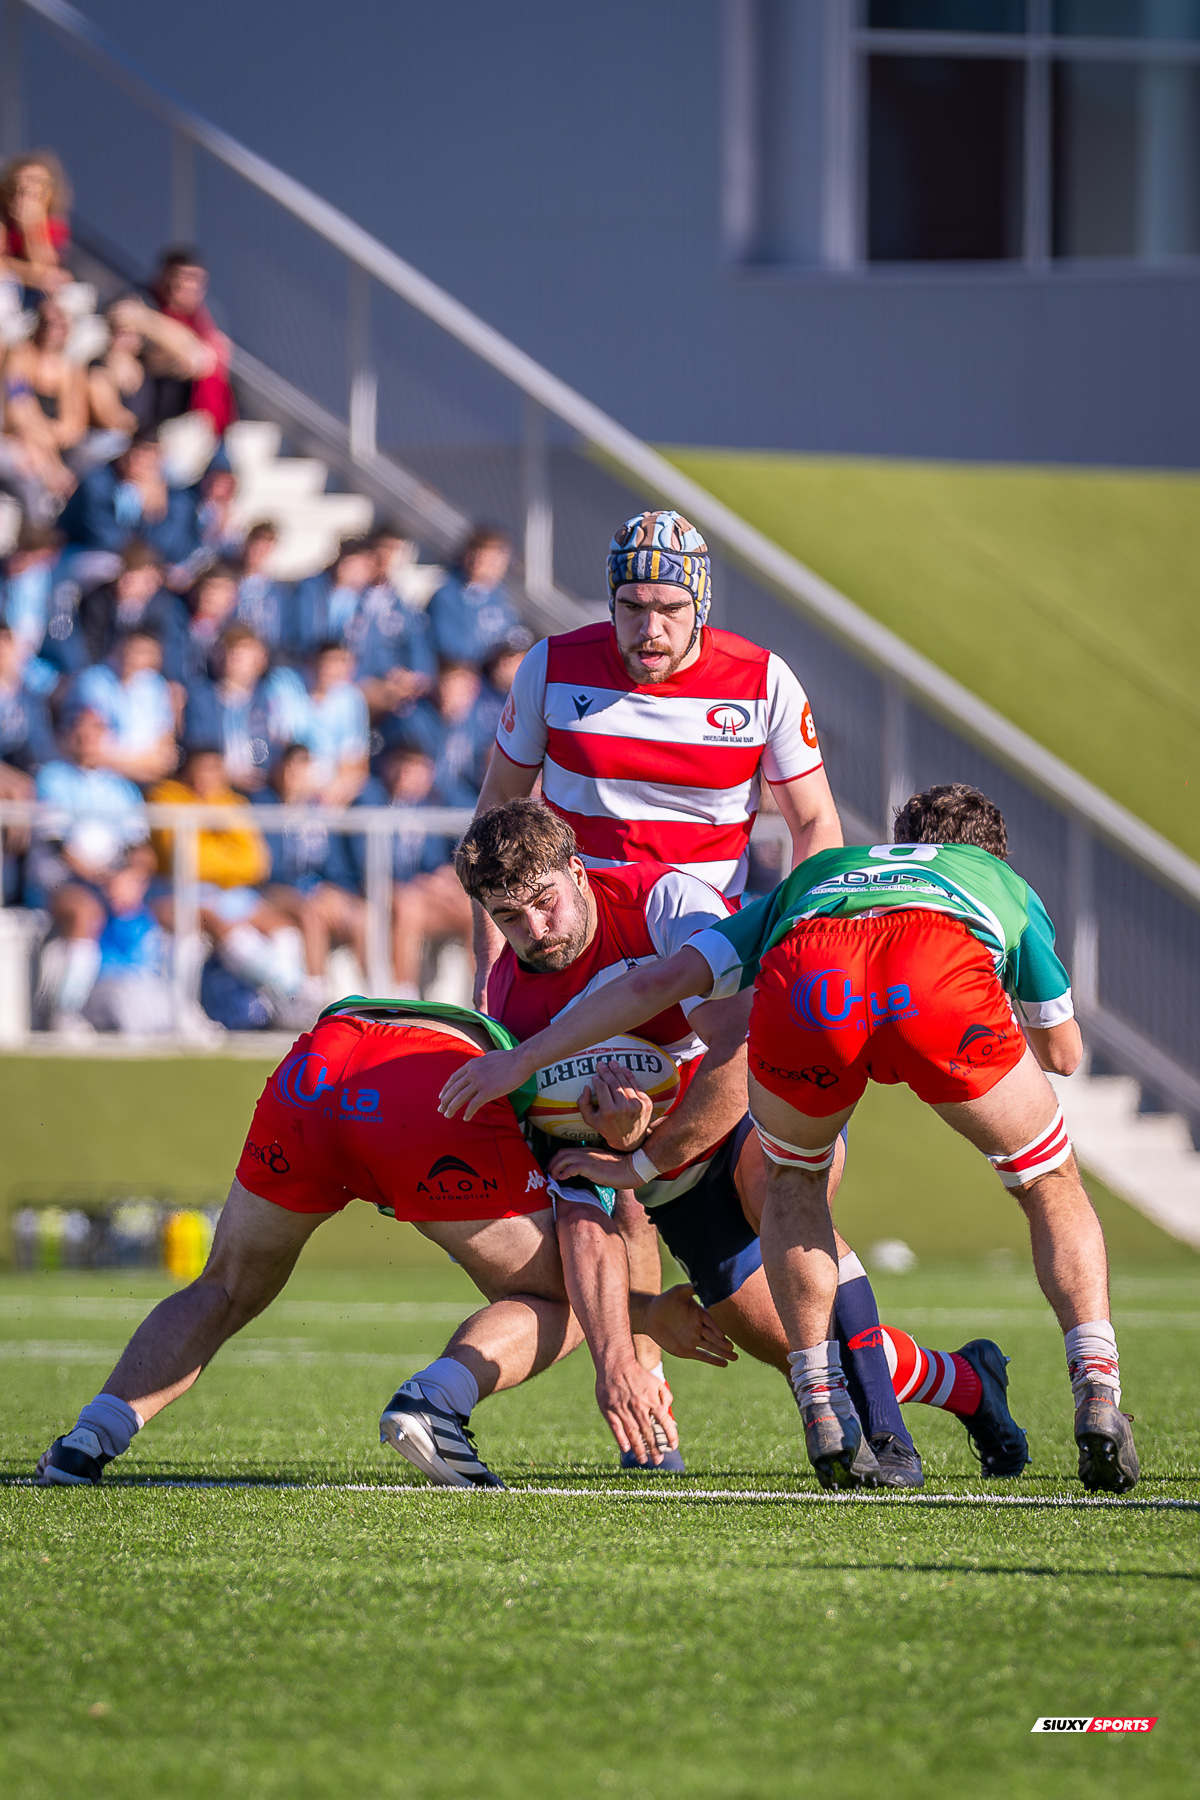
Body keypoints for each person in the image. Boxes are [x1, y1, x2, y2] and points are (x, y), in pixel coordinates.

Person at [440, 785, 1138, 1497]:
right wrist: (616, 1340)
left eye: (544, 901)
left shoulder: (668, 898)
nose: (535, 928)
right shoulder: (509, 1004)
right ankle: (981, 1384)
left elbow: (735, 1046)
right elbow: (1062, 1053)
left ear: (580, 871)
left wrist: (644, 1147)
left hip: (736, 1098)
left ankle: (869, 1429)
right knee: (784, 1327)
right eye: (508, 918)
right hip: (676, 1166)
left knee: (783, 1182)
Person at [470, 508, 843, 1463]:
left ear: (701, 604)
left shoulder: (761, 681)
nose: (648, 629)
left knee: (770, 1216)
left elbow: (815, 829)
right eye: (629, 606)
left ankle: (915, 1381)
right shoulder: (551, 669)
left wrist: (796, 949)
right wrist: (493, 967)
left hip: (703, 967)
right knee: (600, 1185)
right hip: (577, 961)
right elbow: (492, 828)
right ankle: (645, 1411)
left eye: (668, 608)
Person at [35, 993, 722, 1486]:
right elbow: (587, 1243)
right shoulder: (577, 1110)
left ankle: (88, 1439)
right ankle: (435, 1402)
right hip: (420, 1090)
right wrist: (637, 1333)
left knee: (224, 1286)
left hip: (320, 1061)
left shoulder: (533, 1025)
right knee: (566, 1299)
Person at [149, 745, 312, 1024]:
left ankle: (287, 1004)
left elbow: (255, 863)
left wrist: (217, 857)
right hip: (184, 891)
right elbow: (186, 862)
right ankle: (291, 992)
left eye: (214, 770)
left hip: (231, 891)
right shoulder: (167, 797)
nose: (207, 777)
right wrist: (227, 858)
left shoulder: (232, 803)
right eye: (202, 769)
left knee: (283, 928)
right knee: (227, 927)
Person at [30, 707, 149, 1031]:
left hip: (109, 881)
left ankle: (157, 1011)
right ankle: (63, 1012)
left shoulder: (123, 789)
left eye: (95, 732)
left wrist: (131, 878)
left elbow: (140, 848)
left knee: (163, 915)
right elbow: (59, 846)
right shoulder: (51, 777)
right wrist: (106, 878)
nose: (87, 740)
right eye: (80, 732)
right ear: (68, 737)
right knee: (85, 912)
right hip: (59, 882)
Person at [342, 741, 473, 998]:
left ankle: (485, 994)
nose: (407, 773)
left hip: (421, 893)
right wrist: (420, 883)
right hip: (381, 892)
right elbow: (367, 866)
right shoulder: (372, 799)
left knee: (472, 910)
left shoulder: (434, 803)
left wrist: (444, 877)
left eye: (416, 766)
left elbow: (441, 860)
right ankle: (404, 995)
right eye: (403, 765)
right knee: (409, 905)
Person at [251, 741, 366, 989]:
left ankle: (372, 995)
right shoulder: (264, 804)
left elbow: (333, 863)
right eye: (289, 766)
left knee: (360, 916)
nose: (294, 774)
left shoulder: (318, 809)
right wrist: (312, 892)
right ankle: (315, 990)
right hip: (274, 889)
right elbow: (269, 869)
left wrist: (334, 890)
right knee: (311, 913)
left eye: (301, 766)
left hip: (315, 887)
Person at [59, 431, 200, 588]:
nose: (136, 459)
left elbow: (175, 548)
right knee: (112, 567)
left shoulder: (173, 492)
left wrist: (157, 509)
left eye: (147, 453)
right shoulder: (98, 480)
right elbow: (110, 541)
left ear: (160, 458)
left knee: (179, 577)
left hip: (143, 565)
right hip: (80, 556)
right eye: (134, 450)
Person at [70, 627, 178, 786]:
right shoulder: (92, 682)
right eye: (131, 649)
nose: (133, 657)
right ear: (118, 647)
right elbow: (90, 751)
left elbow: (166, 756)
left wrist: (126, 763)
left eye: (143, 652)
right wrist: (145, 765)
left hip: (145, 783)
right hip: (98, 780)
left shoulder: (156, 686)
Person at [145, 246, 235, 434]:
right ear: (165, 276)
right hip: (159, 410)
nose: (187, 284)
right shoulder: (147, 304)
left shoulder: (206, 315)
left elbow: (218, 354)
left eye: (195, 278)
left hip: (204, 414)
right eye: (181, 276)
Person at [427, 525, 520, 670]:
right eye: (478, 554)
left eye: (496, 557)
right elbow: (449, 648)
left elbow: (511, 635)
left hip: (490, 677)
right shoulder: (447, 593)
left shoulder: (500, 596)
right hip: (457, 674)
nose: (480, 561)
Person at [0, 152, 71, 296]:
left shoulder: (54, 226)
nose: (28, 190)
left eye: (39, 183)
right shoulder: (3, 223)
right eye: (18, 184)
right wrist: (34, 276)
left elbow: (45, 266)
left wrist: (31, 227)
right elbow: (45, 275)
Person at [291, 538, 375, 660]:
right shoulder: (311, 588)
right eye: (346, 561)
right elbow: (307, 636)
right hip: (311, 662)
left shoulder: (366, 599)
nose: (344, 566)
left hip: (346, 669)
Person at [234, 523, 289, 651]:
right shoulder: (229, 582)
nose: (258, 552)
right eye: (255, 545)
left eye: (264, 548)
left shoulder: (280, 591)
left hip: (266, 654)